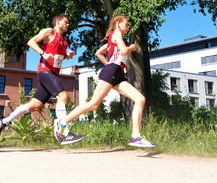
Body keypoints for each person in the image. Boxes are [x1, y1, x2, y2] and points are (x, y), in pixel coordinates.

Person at [54, 14, 156, 147]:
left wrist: (109, 64)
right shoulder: (117, 34)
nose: (128, 26)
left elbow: (98, 53)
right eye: (126, 23)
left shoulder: (114, 38)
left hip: (117, 73)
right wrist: (131, 47)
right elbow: (124, 51)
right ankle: (62, 123)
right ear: (118, 24)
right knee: (93, 104)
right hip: (112, 72)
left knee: (140, 99)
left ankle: (136, 137)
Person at [0, 14, 74, 139]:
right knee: (62, 96)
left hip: (53, 73)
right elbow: (31, 42)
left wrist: (67, 56)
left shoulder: (63, 39)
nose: (68, 24)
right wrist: (43, 53)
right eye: (66, 22)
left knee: (34, 106)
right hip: (45, 72)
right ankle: (63, 132)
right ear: (58, 22)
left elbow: (55, 58)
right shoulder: (49, 32)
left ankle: (3, 121)